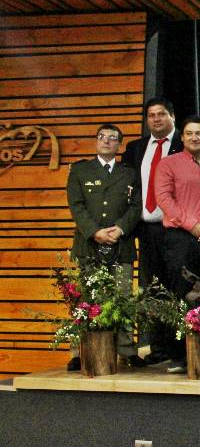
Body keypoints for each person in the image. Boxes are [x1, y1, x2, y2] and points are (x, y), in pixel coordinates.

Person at [154, 115, 200, 373]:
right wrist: (193, 226)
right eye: (189, 133)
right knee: (180, 294)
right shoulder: (168, 164)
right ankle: (179, 356)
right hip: (180, 239)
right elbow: (164, 199)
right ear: (182, 137)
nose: (195, 137)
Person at [65, 124, 143, 371]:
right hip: (89, 244)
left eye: (112, 138)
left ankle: (127, 349)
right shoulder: (80, 170)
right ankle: (79, 351)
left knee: (123, 298)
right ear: (96, 141)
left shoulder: (130, 173)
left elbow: (136, 206)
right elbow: (76, 205)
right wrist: (95, 232)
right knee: (86, 299)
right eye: (102, 137)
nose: (106, 141)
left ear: (119, 145)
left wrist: (119, 228)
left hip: (121, 243)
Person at [121, 97, 182, 366]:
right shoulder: (135, 149)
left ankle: (180, 348)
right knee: (152, 287)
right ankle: (158, 347)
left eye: (161, 114)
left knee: (178, 287)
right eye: (151, 115)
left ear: (172, 116)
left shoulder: (186, 143)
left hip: (177, 229)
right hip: (145, 230)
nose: (156, 119)